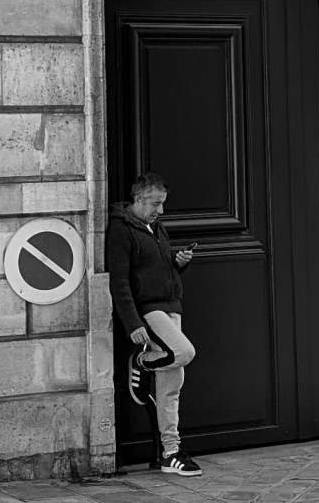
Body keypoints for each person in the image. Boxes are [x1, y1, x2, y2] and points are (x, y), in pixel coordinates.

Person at [106, 172, 201, 476]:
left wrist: (178, 263)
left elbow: (158, 269)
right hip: (150, 311)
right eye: (156, 203)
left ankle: (170, 452)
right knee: (183, 352)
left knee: (172, 385)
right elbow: (119, 282)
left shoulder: (156, 226)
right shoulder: (121, 229)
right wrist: (132, 323)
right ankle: (142, 362)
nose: (161, 210)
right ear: (139, 198)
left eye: (162, 204)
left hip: (171, 306)